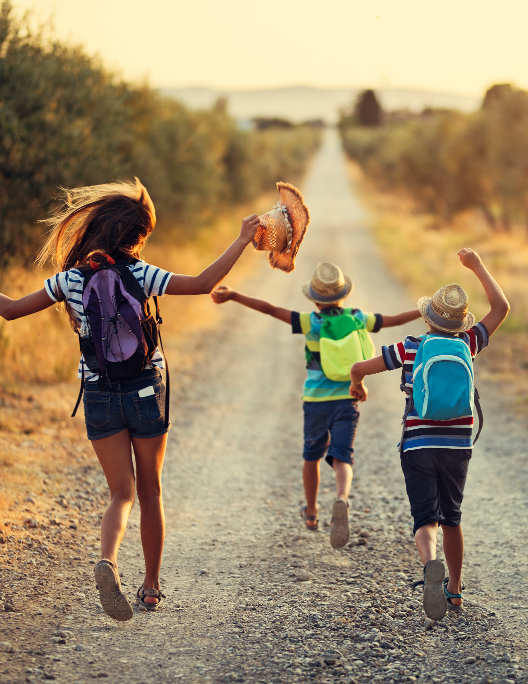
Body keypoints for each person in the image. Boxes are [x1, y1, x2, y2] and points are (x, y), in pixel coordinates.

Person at [0, 179, 259, 621]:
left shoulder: (70, 279)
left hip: (99, 393)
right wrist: (241, 239)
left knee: (120, 494)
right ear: (134, 235)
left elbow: (10, 309)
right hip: (144, 389)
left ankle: (109, 561)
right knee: (150, 491)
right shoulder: (141, 274)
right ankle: (152, 588)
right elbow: (203, 283)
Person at [212, 262, 421, 549]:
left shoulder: (310, 321)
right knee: (343, 456)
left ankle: (311, 513)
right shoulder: (358, 317)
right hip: (348, 397)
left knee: (311, 456)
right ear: (343, 294)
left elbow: (270, 309)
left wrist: (235, 295)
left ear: (314, 299)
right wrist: (423, 311)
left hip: (315, 401)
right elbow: (394, 320)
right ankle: (342, 498)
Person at [349, 248, 509, 619]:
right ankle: (455, 591)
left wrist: (357, 384)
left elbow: (359, 367)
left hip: (418, 445)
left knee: (425, 518)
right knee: (452, 517)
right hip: (458, 445)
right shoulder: (469, 343)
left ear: (428, 317)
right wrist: (477, 265)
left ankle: (430, 566)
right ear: (461, 322)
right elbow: (501, 308)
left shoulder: (409, 347)